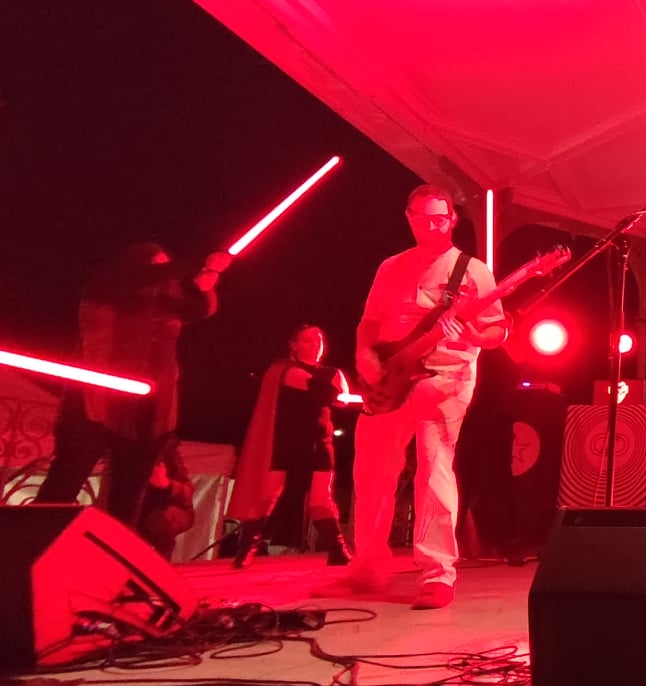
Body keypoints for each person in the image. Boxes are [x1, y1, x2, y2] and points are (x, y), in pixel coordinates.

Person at [317, 185, 507, 610]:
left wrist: (473, 334)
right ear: (409, 218)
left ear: (452, 220)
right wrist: (365, 357)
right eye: (424, 218)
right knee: (371, 470)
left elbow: (497, 330)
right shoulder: (391, 267)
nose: (432, 226)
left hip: (445, 377)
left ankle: (438, 573)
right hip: (392, 377)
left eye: (440, 218)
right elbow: (370, 323)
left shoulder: (472, 270)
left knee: (433, 466)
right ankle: (366, 570)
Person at [36, 243, 227, 542]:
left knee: (129, 492)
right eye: (158, 265)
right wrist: (201, 261)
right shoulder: (109, 288)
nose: (167, 273)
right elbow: (138, 280)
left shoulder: (167, 304)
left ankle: (115, 556)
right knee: (66, 481)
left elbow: (200, 309)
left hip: (147, 408)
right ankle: (34, 545)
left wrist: (206, 283)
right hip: (96, 401)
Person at [228, 324, 352, 568]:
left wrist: (336, 393)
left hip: (318, 442)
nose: (315, 345)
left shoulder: (332, 372)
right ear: (293, 345)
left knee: (321, 498)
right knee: (267, 495)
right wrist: (332, 392)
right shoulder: (284, 371)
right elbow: (326, 392)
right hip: (285, 441)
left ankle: (337, 550)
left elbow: (341, 399)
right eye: (308, 340)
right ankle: (246, 549)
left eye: (319, 340)